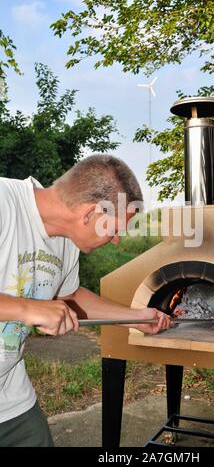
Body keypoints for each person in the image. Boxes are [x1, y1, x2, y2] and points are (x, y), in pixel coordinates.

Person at [0, 154, 171, 447]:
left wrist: (136, 317)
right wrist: (28, 309)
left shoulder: (66, 242)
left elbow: (71, 295)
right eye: (114, 228)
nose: (117, 239)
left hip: (10, 397)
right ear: (90, 213)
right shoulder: (4, 203)